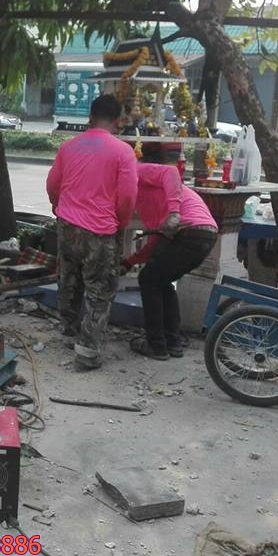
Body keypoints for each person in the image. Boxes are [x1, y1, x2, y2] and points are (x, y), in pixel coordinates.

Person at [46, 93, 138, 370]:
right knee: (100, 290)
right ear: (118, 121)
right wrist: (121, 221)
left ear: (90, 116)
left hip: (67, 225)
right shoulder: (123, 151)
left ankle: (68, 332)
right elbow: (127, 196)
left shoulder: (69, 146)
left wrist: (58, 206)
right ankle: (87, 351)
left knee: (69, 280)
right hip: (99, 230)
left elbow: (53, 184)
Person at [122, 150, 218, 360]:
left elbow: (170, 172)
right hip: (205, 234)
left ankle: (156, 345)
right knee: (160, 280)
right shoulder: (147, 199)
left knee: (149, 279)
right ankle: (172, 341)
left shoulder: (134, 171)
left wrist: (174, 212)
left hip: (189, 230)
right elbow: (158, 242)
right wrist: (129, 262)